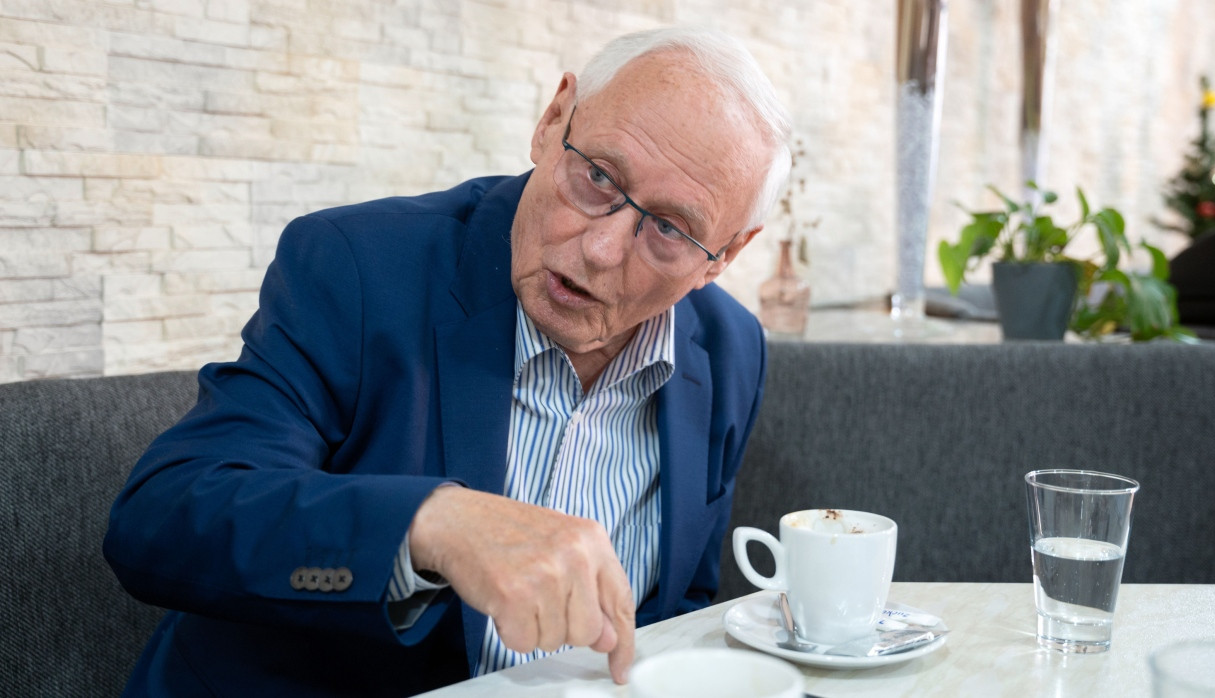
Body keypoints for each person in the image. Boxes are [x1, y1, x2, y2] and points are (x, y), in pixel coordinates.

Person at [104, 25, 791, 697]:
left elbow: (680, 605)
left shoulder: (729, 352)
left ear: (726, 255)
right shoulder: (359, 267)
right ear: (553, 120)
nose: (603, 249)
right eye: (598, 176)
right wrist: (433, 525)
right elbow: (162, 516)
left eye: (669, 230)